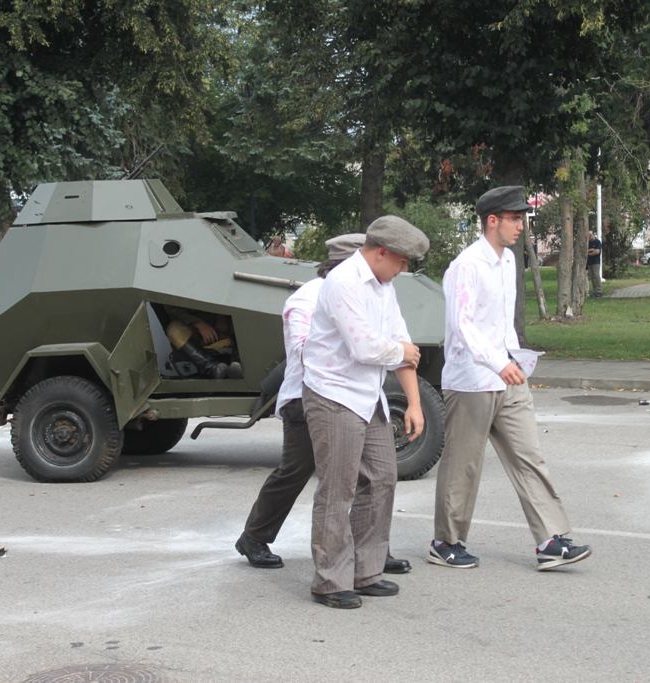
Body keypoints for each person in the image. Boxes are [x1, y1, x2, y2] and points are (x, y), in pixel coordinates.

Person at [429, 185, 591, 572]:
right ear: (492, 220)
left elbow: (502, 324)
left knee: (528, 456)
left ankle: (550, 540)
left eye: (522, 219)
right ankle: (445, 542)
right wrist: (496, 362)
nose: (521, 226)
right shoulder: (467, 266)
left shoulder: (506, 263)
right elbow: (463, 326)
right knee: (463, 465)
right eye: (515, 219)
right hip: (472, 380)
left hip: (509, 377)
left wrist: (516, 358)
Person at [235, 233, 411, 575]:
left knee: (372, 475)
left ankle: (371, 552)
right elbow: (304, 351)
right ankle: (254, 536)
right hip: (308, 397)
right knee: (297, 471)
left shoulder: (372, 292)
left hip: (360, 397)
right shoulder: (306, 298)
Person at [301, 216, 429, 609]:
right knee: (338, 488)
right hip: (334, 394)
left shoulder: (383, 285)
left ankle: (365, 570)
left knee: (382, 478)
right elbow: (366, 347)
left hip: (368, 395)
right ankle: (330, 580)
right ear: (381, 252)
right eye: (402, 262)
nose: (403, 270)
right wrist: (402, 351)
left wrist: (415, 403)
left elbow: (400, 337)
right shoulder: (344, 282)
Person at [163, 306, 243, 379]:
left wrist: (221, 316)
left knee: (241, 318)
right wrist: (198, 323)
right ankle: (212, 368)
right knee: (173, 329)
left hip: (218, 323)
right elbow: (173, 310)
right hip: (191, 329)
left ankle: (238, 363)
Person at [586, 230, 603, 298]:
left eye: (590, 235)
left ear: (593, 234)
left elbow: (597, 252)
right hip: (589, 262)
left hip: (596, 262)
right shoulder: (588, 243)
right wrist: (591, 250)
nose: (589, 236)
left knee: (596, 276)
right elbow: (585, 251)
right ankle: (595, 291)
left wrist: (589, 253)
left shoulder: (597, 242)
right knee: (592, 277)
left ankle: (599, 291)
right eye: (588, 235)